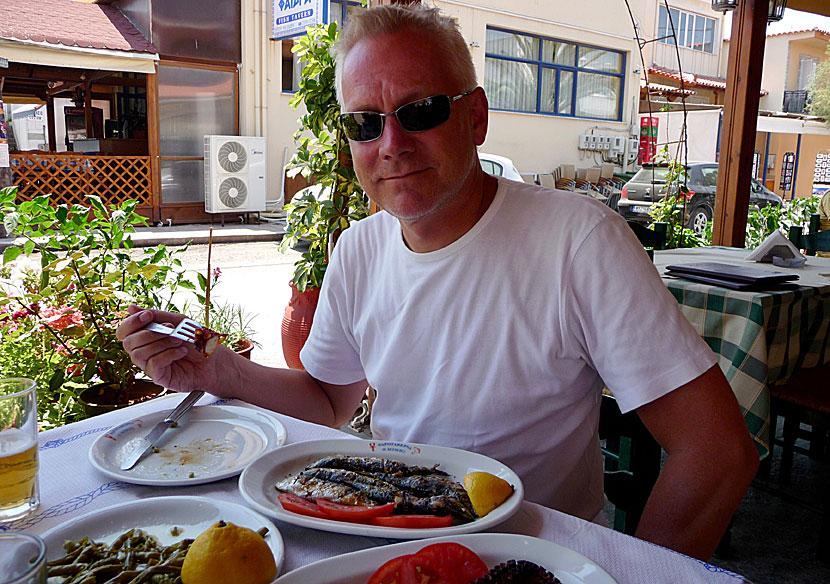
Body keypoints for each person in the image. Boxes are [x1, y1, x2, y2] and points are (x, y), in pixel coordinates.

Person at [117, 3, 758, 560]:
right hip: (383, 540)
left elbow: (717, 452)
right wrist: (220, 373)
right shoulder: (359, 250)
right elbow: (329, 402)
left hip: (530, 557)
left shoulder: (578, 239)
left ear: (475, 118)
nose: (390, 142)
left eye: (419, 111)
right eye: (364, 123)